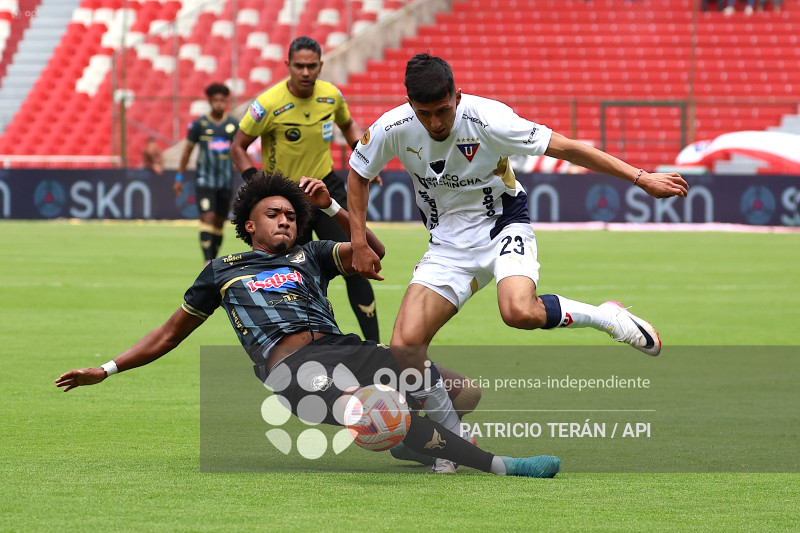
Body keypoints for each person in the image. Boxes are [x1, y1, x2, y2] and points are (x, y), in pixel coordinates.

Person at [54, 172, 559, 478]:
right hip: (293, 369)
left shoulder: (309, 254)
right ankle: (497, 464)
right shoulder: (222, 270)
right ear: (249, 225)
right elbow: (168, 335)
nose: (286, 221)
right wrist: (107, 368)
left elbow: (372, 254)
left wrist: (333, 208)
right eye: (273, 215)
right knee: (375, 413)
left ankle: (421, 448)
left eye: (292, 215)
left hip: (346, 348)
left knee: (463, 392)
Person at [345, 53, 690, 471]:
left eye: (443, 111)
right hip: (447, 246)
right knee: (405, 347)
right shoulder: (393, 127)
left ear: (457, 96)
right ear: (410, 106)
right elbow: (358, 175)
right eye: (425, 114)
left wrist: (641, 178)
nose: (436, 123)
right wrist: (358, 241)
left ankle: (606, 317)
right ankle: (452, 441)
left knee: (518, 311)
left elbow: (569, 148)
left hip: (502, 225)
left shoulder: (490, 118)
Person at [230, 36, 381, 343]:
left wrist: (366, 159)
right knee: (292, 274)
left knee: (358, 258)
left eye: (312, 66)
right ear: (287, 66)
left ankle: (376, 344)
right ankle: (297, 343)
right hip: (286, 198)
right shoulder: (268, 103)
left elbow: (349, 125)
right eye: (299, 65)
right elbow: (238, 146)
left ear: (321, 66)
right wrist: (256, 185)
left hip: (325, 188)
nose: (305, 72)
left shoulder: (331, 96)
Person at [175, 83, 239, 263]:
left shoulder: (233, 125)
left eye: (222, 100)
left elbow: (240, 151)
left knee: (219, 222)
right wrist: (179, 177)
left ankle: (212, 261)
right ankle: (207, 261)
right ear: (210, 101)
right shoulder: (199, 125)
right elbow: (187, 151)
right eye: (215, 100)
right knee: (207, 217)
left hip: (225, 181)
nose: (219, 104)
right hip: (205, 180)